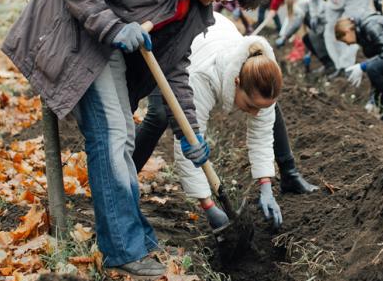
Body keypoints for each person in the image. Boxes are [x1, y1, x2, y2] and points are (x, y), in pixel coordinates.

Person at [2, 0, 266, 278]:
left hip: (103, 44)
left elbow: (175, 69)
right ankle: (122, 250)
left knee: (123, 136)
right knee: (112, 135)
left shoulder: (195, 9)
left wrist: (189, 132)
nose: (226, 1)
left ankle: (134, 236)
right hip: (75, 35)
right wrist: (113, 27)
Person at [133, 14, 318, 222]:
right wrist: (208, 206)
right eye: (250, 106)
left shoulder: (262, 75)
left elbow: (262, 134)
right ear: (237, 81)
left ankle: (289, 174)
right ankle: (124, 183)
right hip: (175, 47)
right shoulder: (202, 79)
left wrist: (266, 187)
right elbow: (189, 140)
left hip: (216, 33)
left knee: (267, 109)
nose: (255, 113)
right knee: (159, 115)